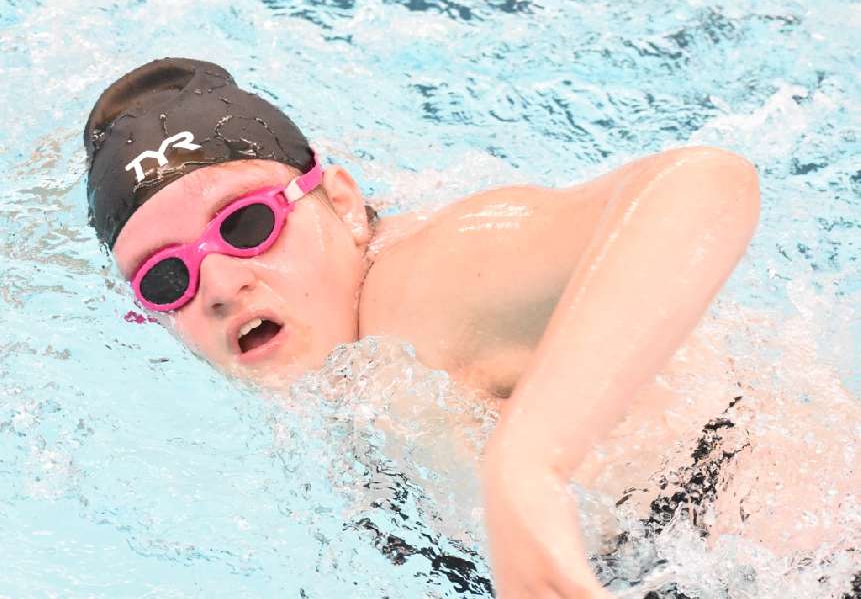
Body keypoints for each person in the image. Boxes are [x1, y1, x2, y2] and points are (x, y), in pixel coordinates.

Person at [83, 57, 760, 598]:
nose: (220, 287)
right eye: (166, 278)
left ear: (344, 204)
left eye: (246, 224)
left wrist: (528, 464)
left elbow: (700, 185)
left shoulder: (429, 284)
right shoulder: (339, 362)